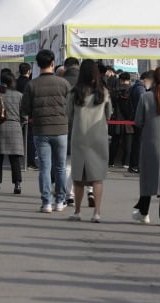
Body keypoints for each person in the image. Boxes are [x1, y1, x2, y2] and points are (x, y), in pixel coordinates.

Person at [21, 50, 72, 213]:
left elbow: (25, 109)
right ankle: (60, 200)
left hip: (41, 130)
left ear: (36, 64)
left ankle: (46, 202)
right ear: (53, 63)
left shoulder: (32, 84)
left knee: (44, 167)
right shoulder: (64, 84)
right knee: (60, 167)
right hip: (61, 129)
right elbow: (70, 107)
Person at [66, 59, 112, 222]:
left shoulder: (74, 92)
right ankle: (97, 213)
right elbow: (109, 114)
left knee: (78, 177)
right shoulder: (103, 91)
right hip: (98, 136)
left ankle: (77, 211)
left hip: (79, 136)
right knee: (97, 176)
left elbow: (69, 114)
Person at [132, 67, 160, 227]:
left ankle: (144, 213)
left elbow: (138, 121)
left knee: (148, 178)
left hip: (150, 142)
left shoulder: (145, 97)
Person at [0, 71, 24, 194]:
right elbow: (24, 114)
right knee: (15, 159)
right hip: (15, 127)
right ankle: (17, 184)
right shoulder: (19, 95)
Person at [128, 70, 154, 174]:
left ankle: (134, 164)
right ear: (146, 80)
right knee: (138, 143)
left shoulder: (136, 87)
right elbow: (143, 105)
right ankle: (135, 165)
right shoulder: (140, 90)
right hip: (140, 120)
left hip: (136, 118)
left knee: (137, 143)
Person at [109, 72, 134, 168]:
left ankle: (111, 161)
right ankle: (126, 163)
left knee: (115, 142)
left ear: (120, 80)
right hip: (129, 121)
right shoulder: (132, 90)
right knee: (128, 143)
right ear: (129, 80)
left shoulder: (115, 91)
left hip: (117, 119)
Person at [16, 62, 36, 170]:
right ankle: (30, 162)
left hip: (17, 113)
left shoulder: (15, 82)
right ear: (29, 71)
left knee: (20, 138)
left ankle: (20, 160)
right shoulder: (30, 83)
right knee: (30, 139)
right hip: (28, 115)